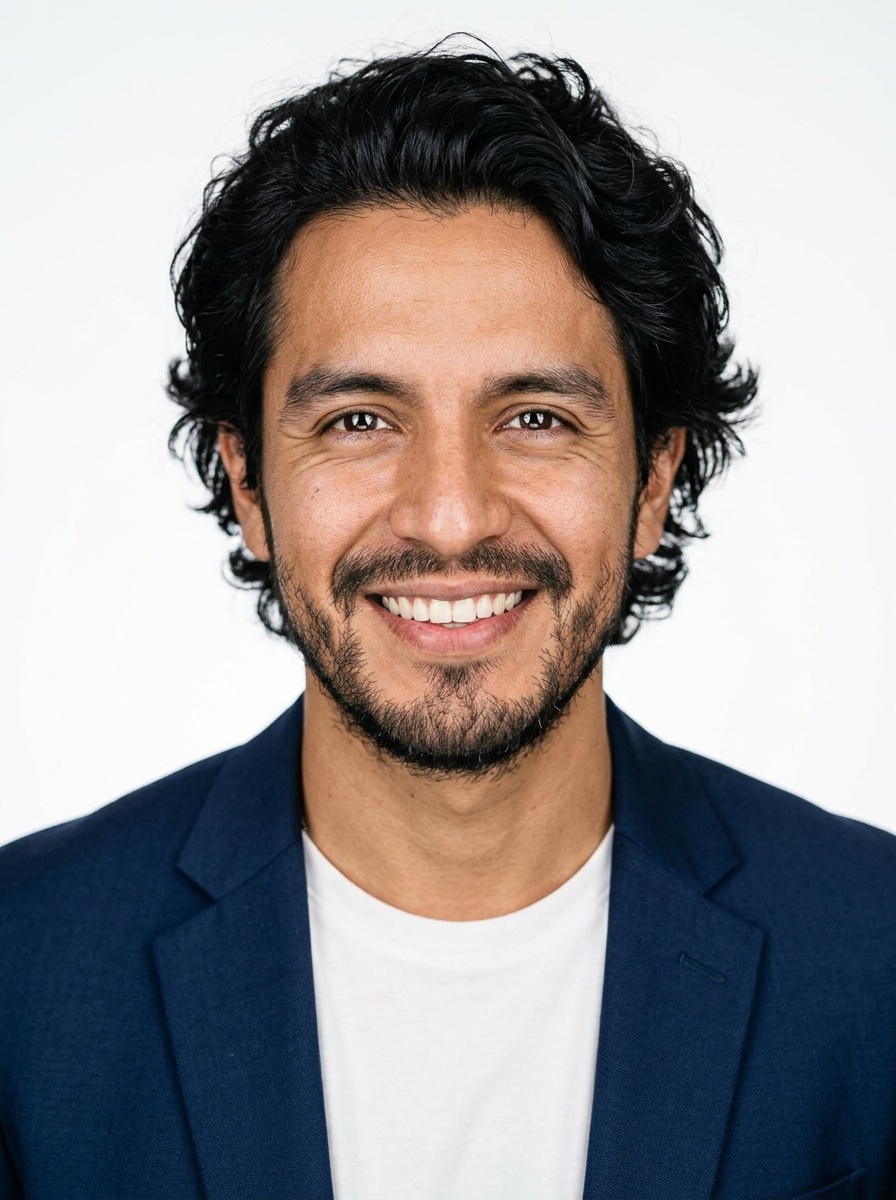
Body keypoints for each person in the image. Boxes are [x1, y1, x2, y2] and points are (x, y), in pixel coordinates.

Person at [0, 42, 893, 1200]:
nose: (451, 514)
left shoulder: (874, 960)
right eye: (360, 421)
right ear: (247, 484)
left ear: (654, 481)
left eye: (533, 417)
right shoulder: (23, 973)